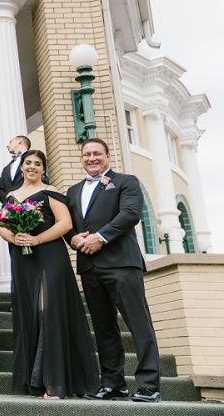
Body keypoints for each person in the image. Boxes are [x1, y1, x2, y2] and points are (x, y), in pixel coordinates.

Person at [66, 138, 161, 403]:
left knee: (139, 325)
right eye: (86, 154)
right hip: (89, 267)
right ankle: (113, 385)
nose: (91, 158)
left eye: (97, 153)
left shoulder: (126, 181)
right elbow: (68, 226)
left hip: (121, 264)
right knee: (104, 328)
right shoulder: (73, 191)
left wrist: (101, 237)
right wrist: (73, 238)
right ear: (81, 158)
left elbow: (130, 214)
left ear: (107, 156)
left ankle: (148, 385)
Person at [0, 149, 98, 399]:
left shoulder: (51, 191)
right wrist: (16, 237)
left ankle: (55, 381)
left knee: (47, 311)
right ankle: (34, 380)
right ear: (21, 167)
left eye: (37, 164)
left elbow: (64, 224)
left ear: (43, 168)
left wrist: (37, 238)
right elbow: (1, 225)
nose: (32, 167)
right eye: (28, 163)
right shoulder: (11, 195)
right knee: (30, 313)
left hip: (50, 256)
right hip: (23, 259)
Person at [0, 135, 31, 205]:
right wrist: (10, 203)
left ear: (19, 141)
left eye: (10, 142)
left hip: (31, 206)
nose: (7, 145)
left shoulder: (34, 159)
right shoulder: (6, 169)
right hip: (10, 211)